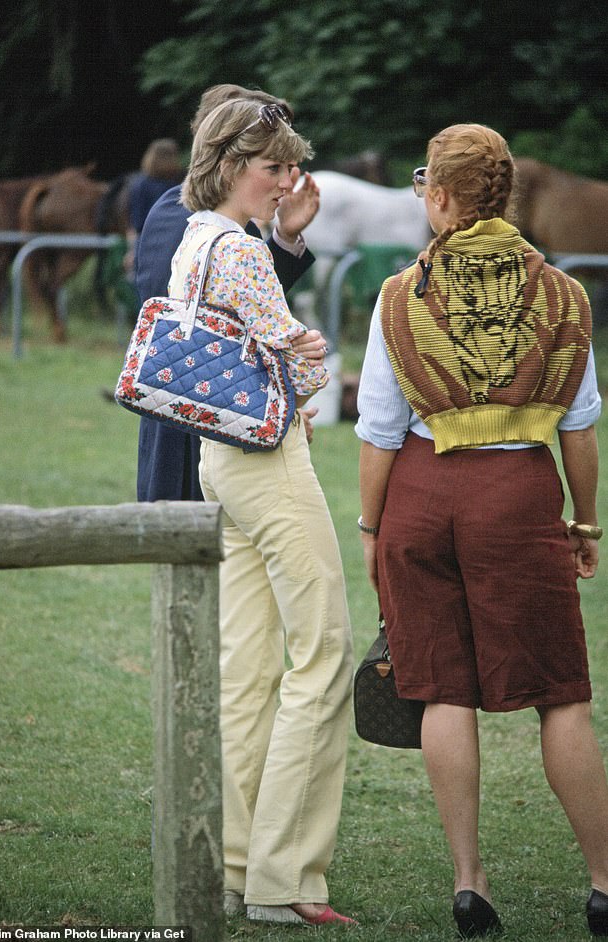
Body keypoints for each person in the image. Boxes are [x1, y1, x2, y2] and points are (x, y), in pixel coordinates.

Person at [356, 123, 608, 937]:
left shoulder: (401, 295)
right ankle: (605, 881)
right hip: (518, 497)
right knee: (561, 696)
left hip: (421, 495)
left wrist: (370, 528)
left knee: (441, 690)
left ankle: (471, 885)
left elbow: (379, 429)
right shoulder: (565, 296)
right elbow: (580, 429)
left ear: (437, 197)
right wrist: (586, 520)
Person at [162, 97, 356, 927]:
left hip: (220, 461)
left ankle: (240, 865)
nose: (288, 181)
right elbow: (299, 370)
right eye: (275, 167)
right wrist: (311, 363)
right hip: (269, 463)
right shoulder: (237, 251)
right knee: (324, 656)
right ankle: (286, 878)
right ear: (234, 166)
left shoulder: (194, 239)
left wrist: (293, 356)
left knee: (247, 674)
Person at [135, 85, 321, 503]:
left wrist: (285, 237)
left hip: (230, 421)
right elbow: (193, 335)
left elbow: (240, 306)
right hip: (186, 434)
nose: (286, 181)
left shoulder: (230, 222)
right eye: (272, 164)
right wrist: (276, 409)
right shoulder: (177, 215)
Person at [125, 138, 183, 273]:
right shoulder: (177, 186)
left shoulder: (140, 185)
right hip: (173, 245)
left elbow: (136, 224)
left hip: (146, 245)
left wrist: (132, 251)